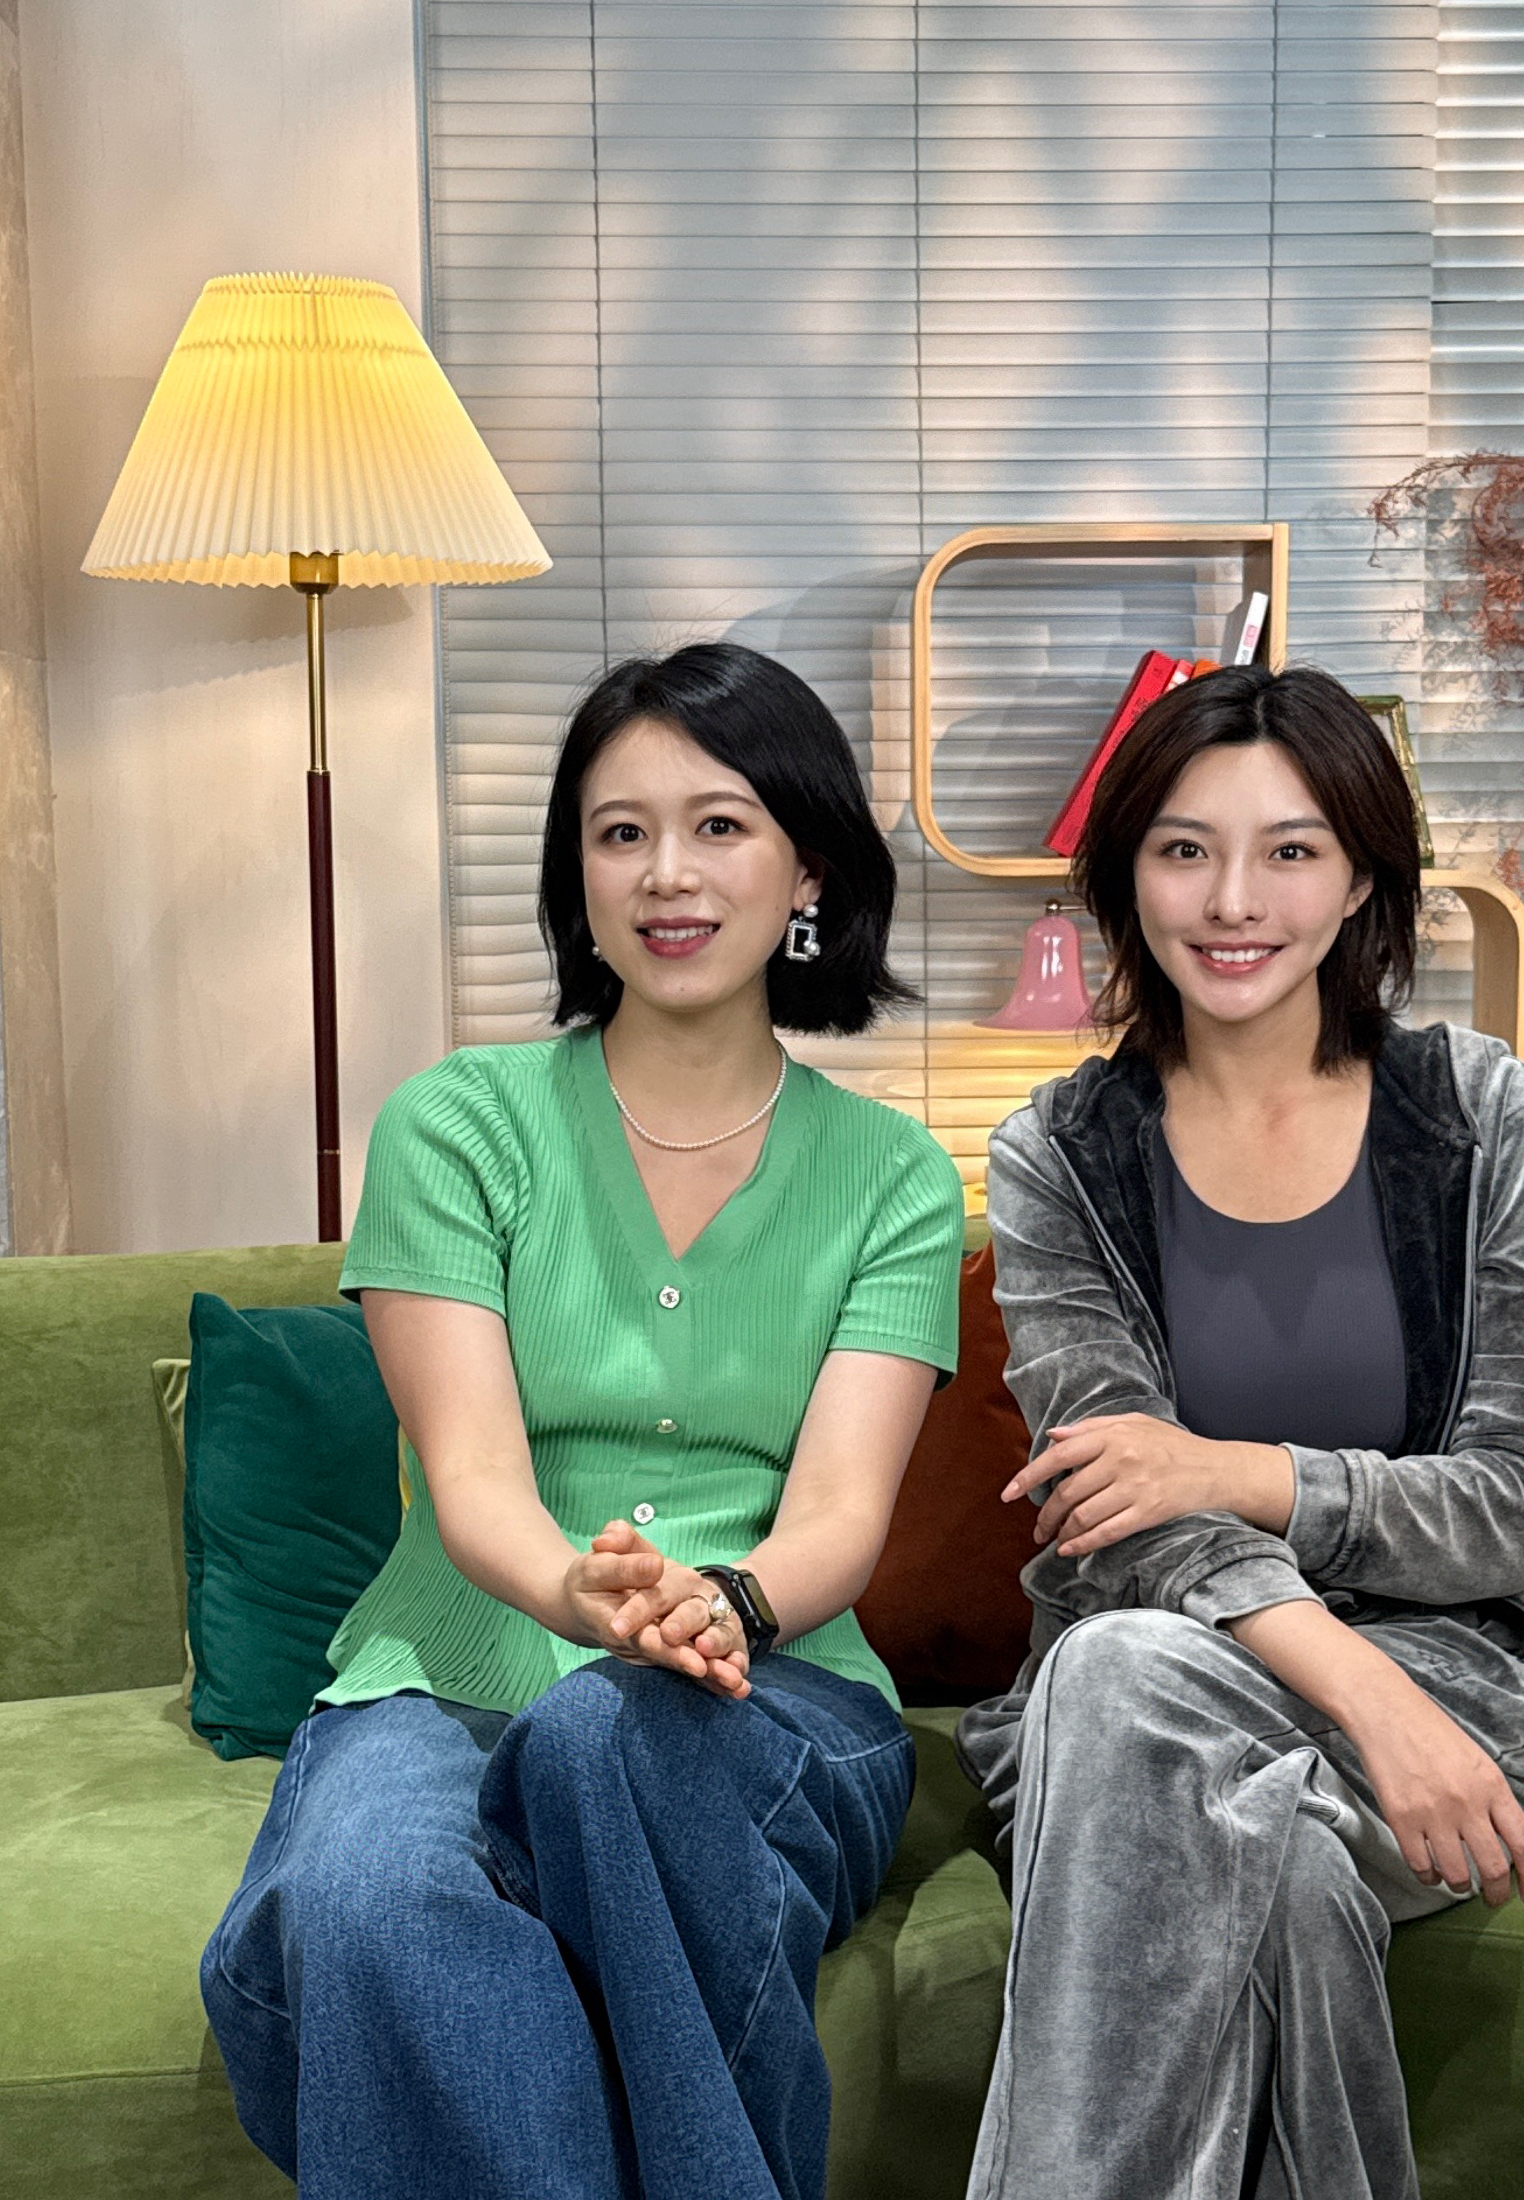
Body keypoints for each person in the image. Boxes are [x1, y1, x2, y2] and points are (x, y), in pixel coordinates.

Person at [201, 642, 963, 2200]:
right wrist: (578, 1591)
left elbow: (840, 1512)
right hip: (452, 1664)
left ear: (808, 867)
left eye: (720, 824)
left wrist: (721, 1602)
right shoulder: (457, 1126)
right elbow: (473, 1471)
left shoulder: (894, 1177)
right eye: (621, 832)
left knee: (604, 1732)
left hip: (770, 1685)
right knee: (362, 1897)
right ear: (578, 877)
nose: (667, 872)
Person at [957, 662, 1524, 2200]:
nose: (1233, 899)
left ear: (1363, 875)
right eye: (1184, 848)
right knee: (1261, 1840)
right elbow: (1119, 1514)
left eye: (1291, 849)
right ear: (1127, 875)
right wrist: (1368, 1693)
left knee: (1129, 1690)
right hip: (1214, 1690)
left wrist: (1236, 1470)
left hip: (1460, 1677)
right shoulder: (1058, 1152)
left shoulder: (1482, 1116)